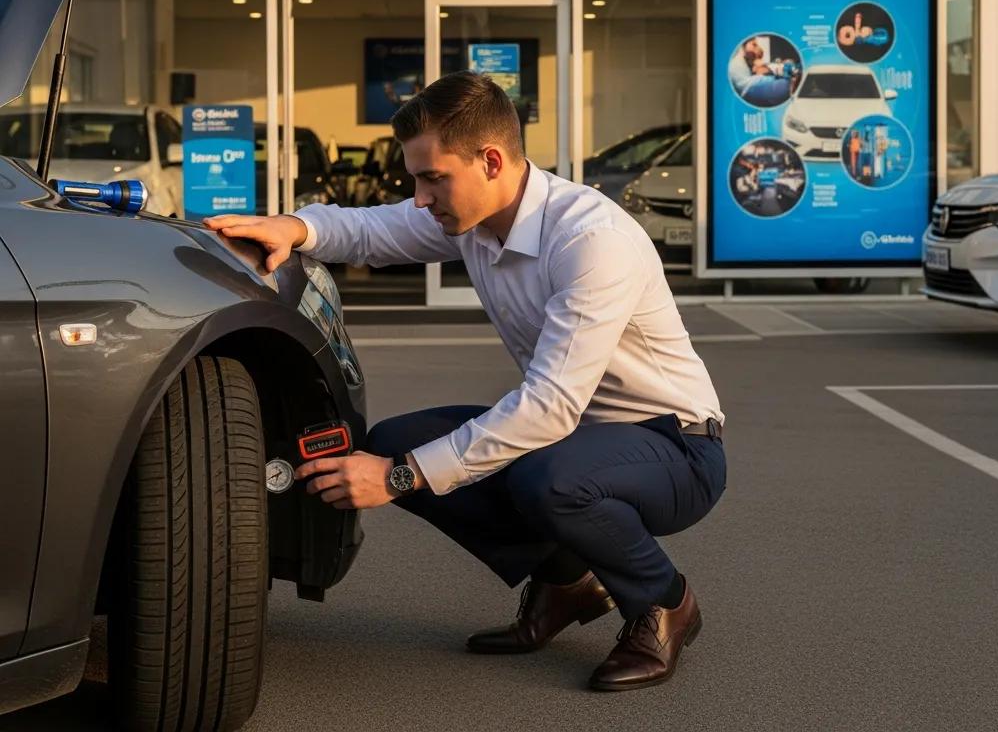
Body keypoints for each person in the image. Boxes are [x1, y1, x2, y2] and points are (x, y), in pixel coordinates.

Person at [206, 71, 726, 692]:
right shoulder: (475, 214)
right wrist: (294, 227)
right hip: (579, 437)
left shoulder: (592, 242)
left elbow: (548, 410)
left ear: (491, 160)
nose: (421, 197)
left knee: (535, 477)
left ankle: (663, 601)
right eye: (416, 179)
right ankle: (568, 585)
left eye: (432, 178)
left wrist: (400, 478)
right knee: (398, 439)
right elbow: (375, 229)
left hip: (675, 447)